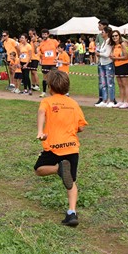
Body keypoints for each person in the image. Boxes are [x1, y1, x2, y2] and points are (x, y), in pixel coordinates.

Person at [35, 69, 87, 227]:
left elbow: (41, 113)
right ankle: (72, 212)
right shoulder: (73, 103)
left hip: (54, 146)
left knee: (39, 169)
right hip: (71, 147)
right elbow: (81, 127)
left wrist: (40, 131)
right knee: (71, 181)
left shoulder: (47, 101)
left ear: (49, 87)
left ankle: (58, 169)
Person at [95, 27, 116, 107]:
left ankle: (111, 100)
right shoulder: (103, 42)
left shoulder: (109, 42)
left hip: (108, 64)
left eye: (103, 32)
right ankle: (104, 100)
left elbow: (107, 54)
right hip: (102, 64)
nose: (101, 33)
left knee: (110, 83)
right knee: (103, 83)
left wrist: (99, 54)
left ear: (107, 33)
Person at [110, 30, 128, 109]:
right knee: (120, 84)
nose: (115, 37)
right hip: (117, 65)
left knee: (125, 84)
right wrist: (112, 57)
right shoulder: (114, 46)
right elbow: (113, 57)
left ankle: (127, 102)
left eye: (116, 35)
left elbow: (126, 56)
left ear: (119, 36)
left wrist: (115, 58)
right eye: (113, 36)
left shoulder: (122, 44)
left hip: (124, 65)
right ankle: (121, 101)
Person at [38, 29, 59, 97]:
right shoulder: (41, 44)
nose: (44, 36)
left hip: (53, 63)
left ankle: (54, 91)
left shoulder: (54, 41)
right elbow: (39, 53)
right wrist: (40, 59)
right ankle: (44, 92)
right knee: (45, 78)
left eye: (45, 34)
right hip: (45, 63)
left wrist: (57, 57)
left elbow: (60, 50)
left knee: (54, 77)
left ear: (48, 34)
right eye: (43, 34)